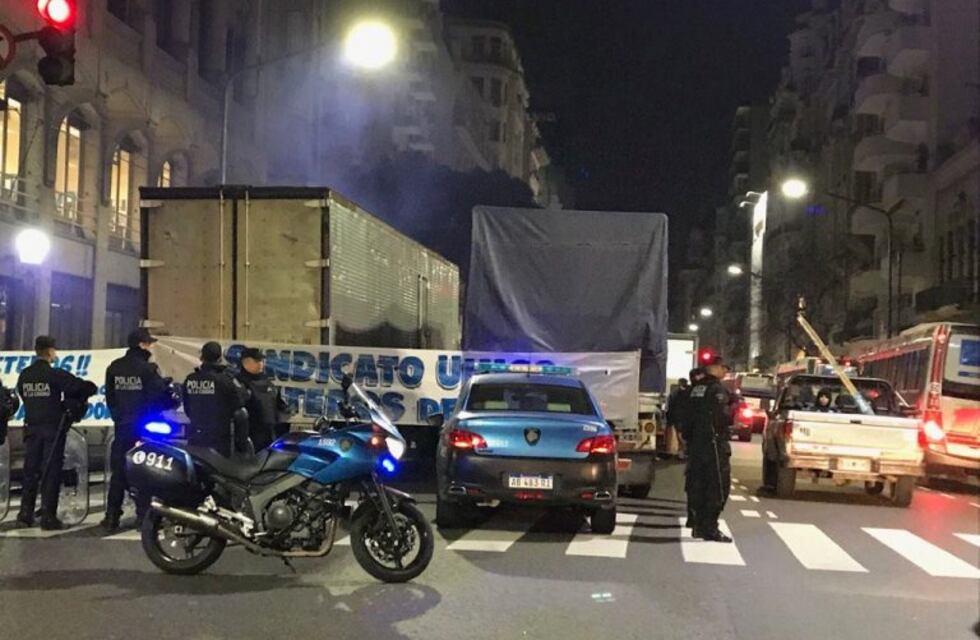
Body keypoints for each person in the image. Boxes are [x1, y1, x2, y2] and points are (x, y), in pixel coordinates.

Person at [16, 336, 97, 530]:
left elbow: (22, 395)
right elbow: (83, 386)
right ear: (50, 352)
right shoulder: (53, 374)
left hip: (32, 428)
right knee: (51, 472)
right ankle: (48, 516)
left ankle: (25, 513)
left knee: (31, 471)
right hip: (52, 429)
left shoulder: (25, 375)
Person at [102, 328, 178, 532]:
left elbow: (110, 397)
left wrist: (118, 417)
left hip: (122, 427)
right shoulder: (147, 369)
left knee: (119, 473)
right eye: (149, 344)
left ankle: (111, 516)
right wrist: (170, 400)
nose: (152, 347)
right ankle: (143, 516)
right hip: (145, 428)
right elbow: (158, 397)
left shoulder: (115, 367)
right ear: (142, 345)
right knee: (145, 472)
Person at [685, 355, 733, 543]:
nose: (725, 371)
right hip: (713, 445)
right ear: (715, 368)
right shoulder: (717, 390)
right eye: (724, 367)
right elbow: (722, 417)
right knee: (718, 486)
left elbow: (685, 416)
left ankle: (697, 524)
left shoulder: (695, 389)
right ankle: (710, 527)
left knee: (697, 484)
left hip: (696, 444)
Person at [183, 341, 251, 457]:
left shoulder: (190, 379)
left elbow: (187, 406)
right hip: (219, 437)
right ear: (220, 358)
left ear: (202, 357)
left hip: (195, 434)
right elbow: (239, 401)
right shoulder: (225, 380)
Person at [235, 347, 290, 451]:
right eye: (256, 361)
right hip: (249, 437)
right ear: (245, 362)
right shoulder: (238, 382)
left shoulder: (267, 382)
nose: (261, 364)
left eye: (261, 360)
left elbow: (278, 405)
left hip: (270, 436)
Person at [678, 368, 705, 528]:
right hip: (700, 443)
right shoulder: (699, 395)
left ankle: (693, 516)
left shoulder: (688, 394)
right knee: (699, 482)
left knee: (694, 481)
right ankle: (696, 516)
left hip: (694, 442)